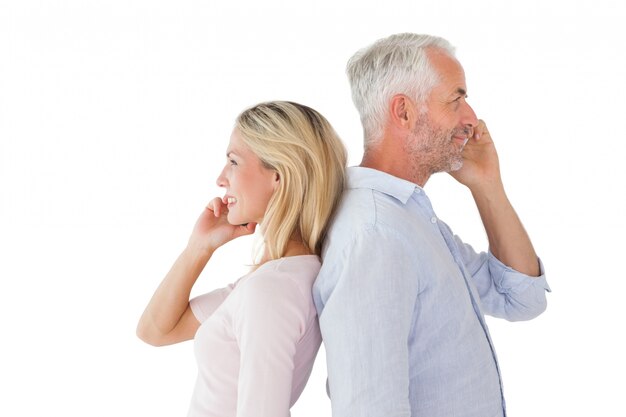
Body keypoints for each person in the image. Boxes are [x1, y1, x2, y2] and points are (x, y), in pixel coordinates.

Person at [313, 33, 551, 417]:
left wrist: (487, 186)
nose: (472, 118)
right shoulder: (376, 232)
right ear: (404, 112)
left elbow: (522, 297)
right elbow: (369, 407)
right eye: (456, 99)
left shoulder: (409, 218)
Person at [137, 101, 347, 417]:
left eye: (233, 161)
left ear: (279, 175)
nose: (222, 179)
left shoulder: (271, 289)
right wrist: (200, 247)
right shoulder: (281, 278)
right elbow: (155, 331)